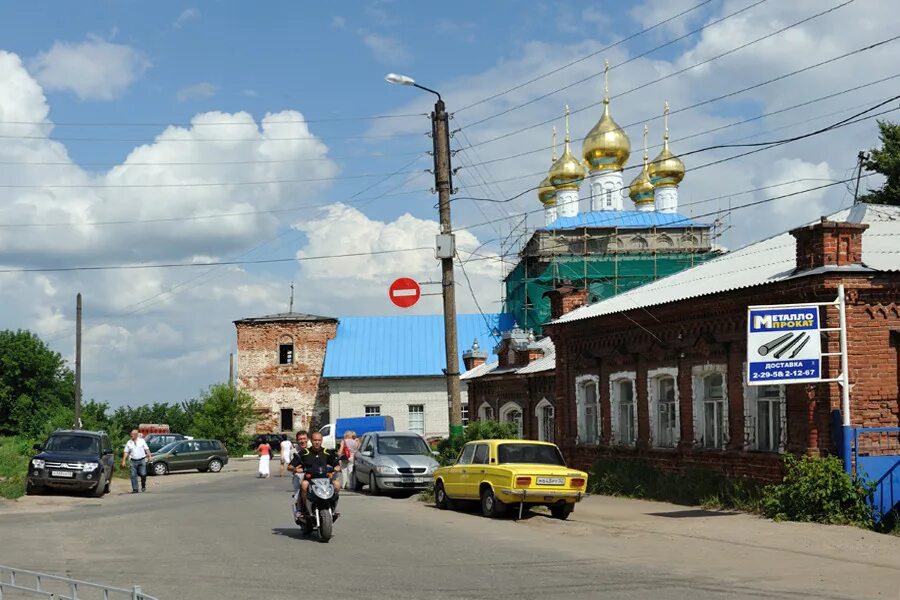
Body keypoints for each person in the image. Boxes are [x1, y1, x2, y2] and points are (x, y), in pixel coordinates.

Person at [292, 432, 341, 519]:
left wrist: (336, 468)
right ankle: (304, 508)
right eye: (315, 440)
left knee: (337, 484)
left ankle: (333, 507)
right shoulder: (304, 452)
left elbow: (336, 464)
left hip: (325, 479)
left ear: (322, 441)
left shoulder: (327, 452)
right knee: (304, 484)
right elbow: (290, 466)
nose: (317, 442)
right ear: (311, 440)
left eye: (319, 440)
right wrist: (295, 469)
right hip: (311, 480)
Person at [122, 429, 152, 493]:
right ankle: (135, 489)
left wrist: (150, 457)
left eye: (132, 434)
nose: (131, 435)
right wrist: (123, 461)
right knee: (133, 475)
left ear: (136, 435)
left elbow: (147, 449)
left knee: (143, 474)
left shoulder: (142, 441)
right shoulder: (129, 442)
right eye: (131, 434)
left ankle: (143, 485)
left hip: (142, 460)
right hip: (133, 461)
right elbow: (126, 452)